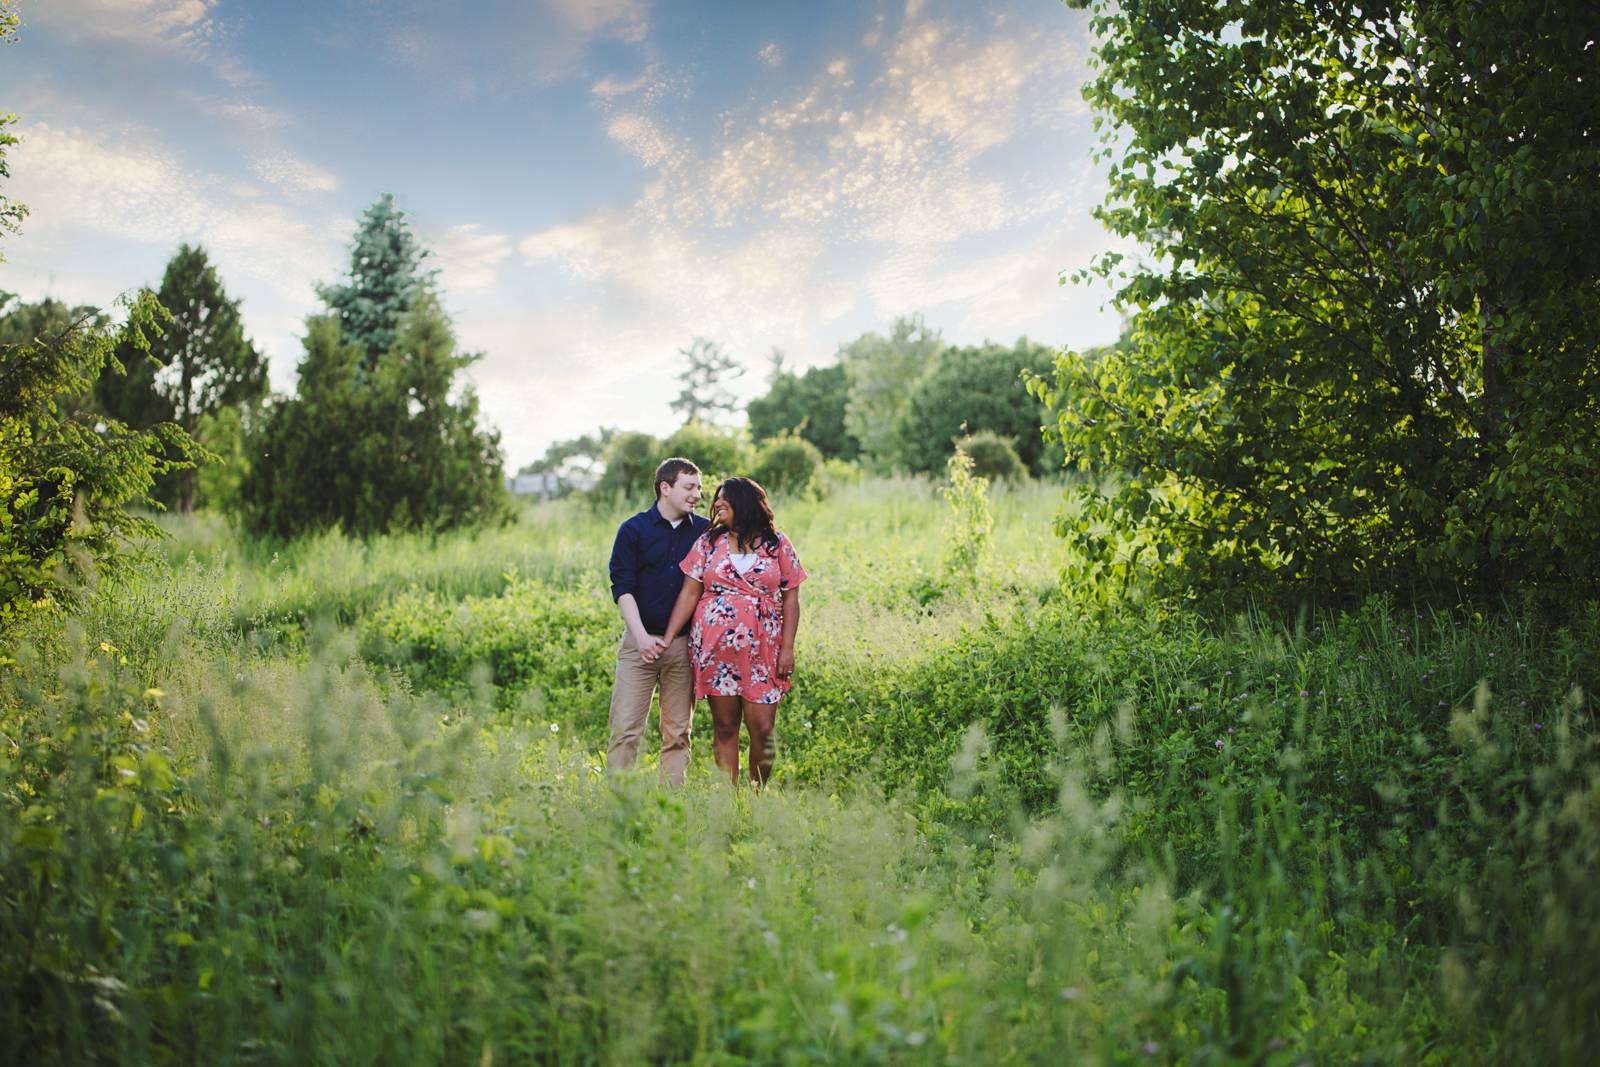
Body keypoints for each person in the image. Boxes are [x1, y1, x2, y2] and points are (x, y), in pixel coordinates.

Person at [661, 477, 806, 787]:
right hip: (716, 651)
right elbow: (689, 593)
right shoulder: (707, 543)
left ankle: (756, 796)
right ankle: (731, 802)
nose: (716, 504)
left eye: (724, 499)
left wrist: (788, 648)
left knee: (763, 728)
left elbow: (791, 599)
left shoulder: (777, 544)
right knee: (725, 726)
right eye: (716, 499)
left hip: (764, 651)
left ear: (745, 503)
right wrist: (668, 635)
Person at [606, 457, 709, 786]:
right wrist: (642, 638)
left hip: (682, 648)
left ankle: (671, 806)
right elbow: (623, 588)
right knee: (625, 729)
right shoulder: (633, 530)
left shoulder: (706, 532)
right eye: (689, 487)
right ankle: (617, 804)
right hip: (639, 647)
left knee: (678, 734)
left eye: (699, 488)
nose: (697, 494)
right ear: (665, 488)